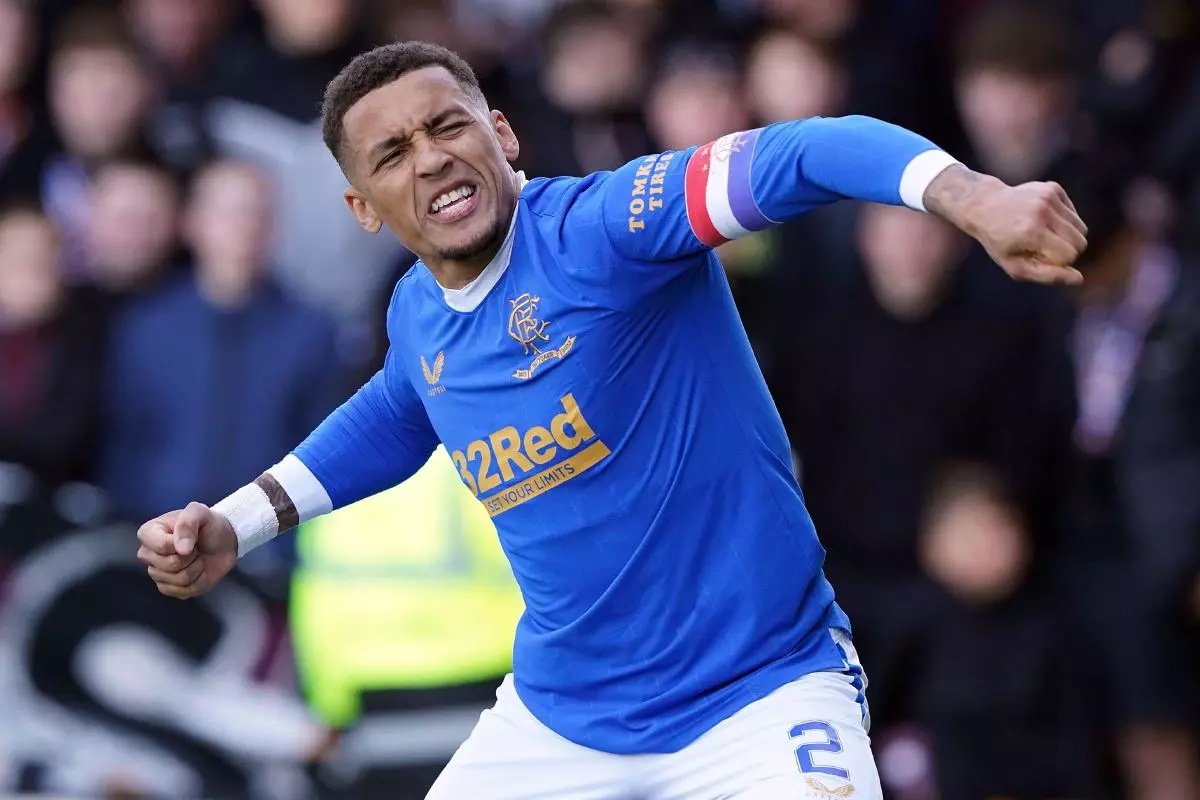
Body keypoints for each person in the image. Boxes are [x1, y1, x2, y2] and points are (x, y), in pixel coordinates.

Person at [136, 41, 1087, 799]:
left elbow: (804, 151)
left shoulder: (609, 228)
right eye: (393, 154)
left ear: (501, 132)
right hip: (562, 721)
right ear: (363, 207)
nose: (431, 158)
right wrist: (236, 523)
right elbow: (398, 410)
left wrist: (972, 195)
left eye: (447, 125)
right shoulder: (418, 316)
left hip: (756, 695)